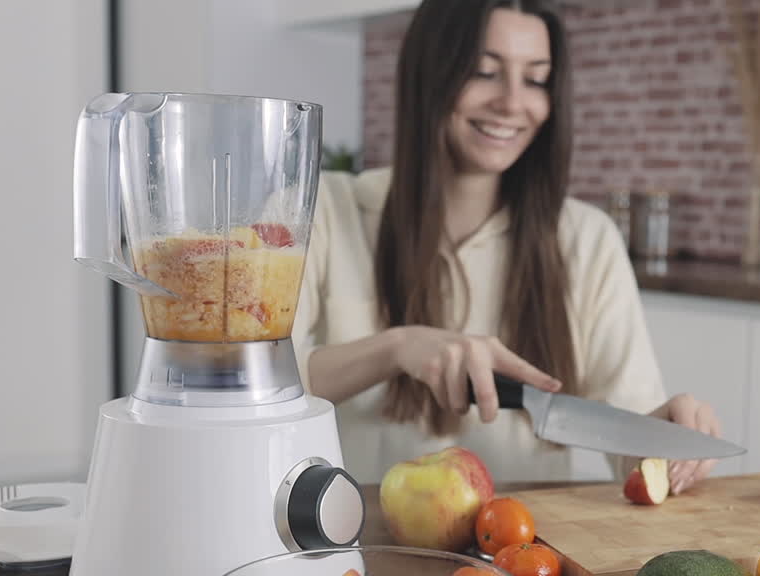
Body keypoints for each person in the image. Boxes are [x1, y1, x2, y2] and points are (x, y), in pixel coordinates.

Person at [292, 0, 723, 493]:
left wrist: (666, 436)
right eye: (484, 72)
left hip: (525, 557)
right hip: (355, 549)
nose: (513, 103)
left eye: (536, 79)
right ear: (428, 74)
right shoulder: (324, 211)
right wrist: (396, 347)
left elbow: (627, 447)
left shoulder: (587, 240)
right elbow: (248, 391)